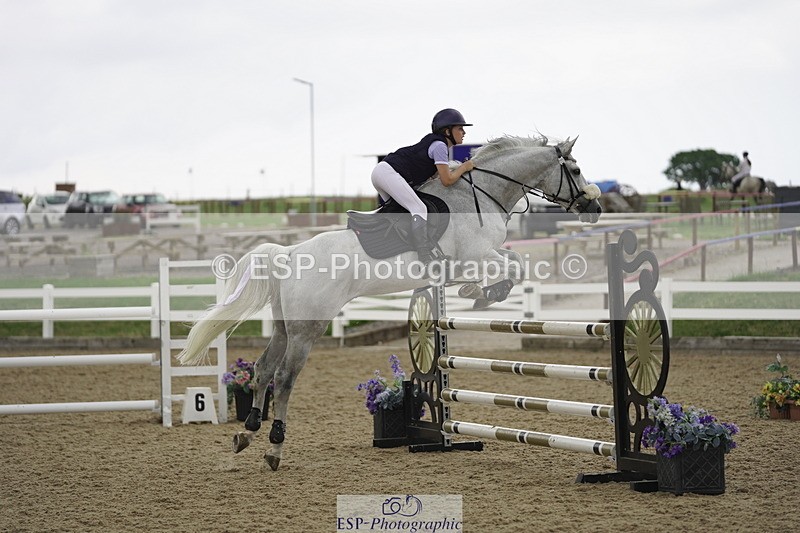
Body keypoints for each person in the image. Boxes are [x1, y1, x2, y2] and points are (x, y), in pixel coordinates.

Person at [371, 108, 475, 263]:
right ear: (447, 131)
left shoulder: (435, 144)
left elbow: (436, 179)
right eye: (460, 128)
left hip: (382, 172)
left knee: (396, 211)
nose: (463, 132)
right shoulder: (439, 146)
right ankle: (424, 257)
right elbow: (446, 180)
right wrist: (464, 167)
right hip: (388, 173)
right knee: (419, 209)